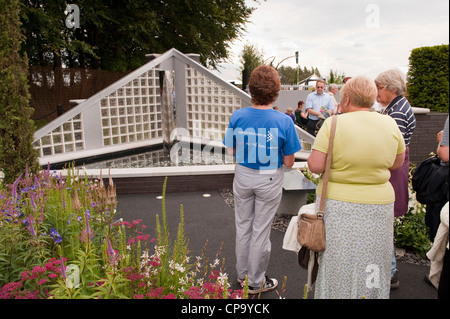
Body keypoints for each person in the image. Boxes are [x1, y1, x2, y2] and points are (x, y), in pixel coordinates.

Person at [307, 75, 406, 299]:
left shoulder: (334, 124)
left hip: (339, 205)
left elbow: (315, 165)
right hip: (378, 206)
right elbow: (397, 162)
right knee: (373, 260)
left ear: (348, 99)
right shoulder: (389, 122)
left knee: (338, 260)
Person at [223, 65, 302, 295]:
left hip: (243, 175)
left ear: (251, 89)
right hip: (269, 178)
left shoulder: (238, 115)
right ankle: (256, 282)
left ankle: (242, 276)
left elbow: (230, 150)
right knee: (260, 230)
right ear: (276, 91)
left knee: (243, 226)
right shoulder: (284, 121)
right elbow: (288, 162)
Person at [375, 69, 416, 288]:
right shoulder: (399, 107)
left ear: (392, 88)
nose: (377, 92)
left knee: (384, 220)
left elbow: (392, 149)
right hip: (397, 169)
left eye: (380, 87)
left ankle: (390, 272)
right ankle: (389, 270)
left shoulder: (396, 112)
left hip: (393, 170)